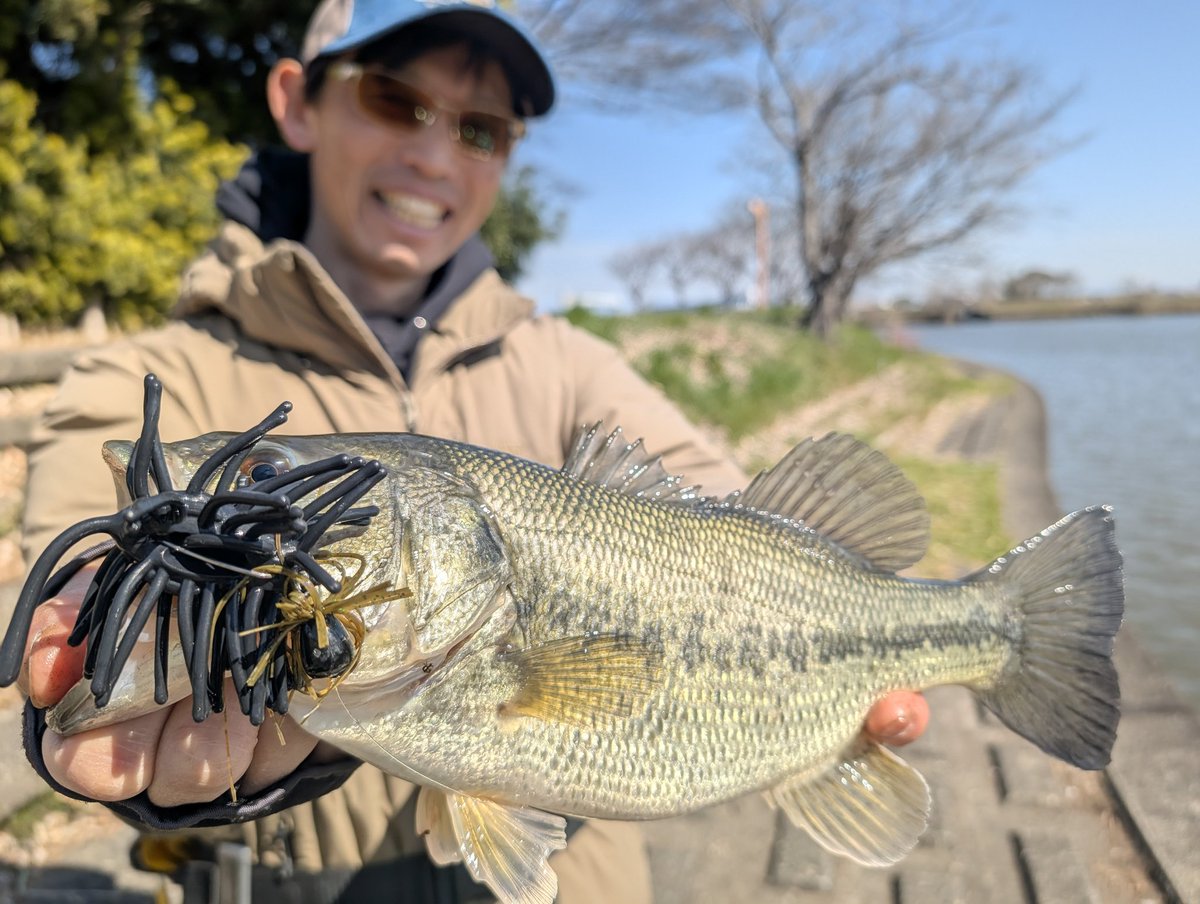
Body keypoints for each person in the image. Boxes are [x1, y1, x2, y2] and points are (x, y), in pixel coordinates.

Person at [16, 1, 929, 901]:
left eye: (481, 128)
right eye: (394, 99)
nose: (435, 154)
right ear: (296, 101)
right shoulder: (144, 378)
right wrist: (112, 679)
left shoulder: (571, 363)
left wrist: (825, 634)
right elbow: (60, 619)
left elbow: (722, 519)